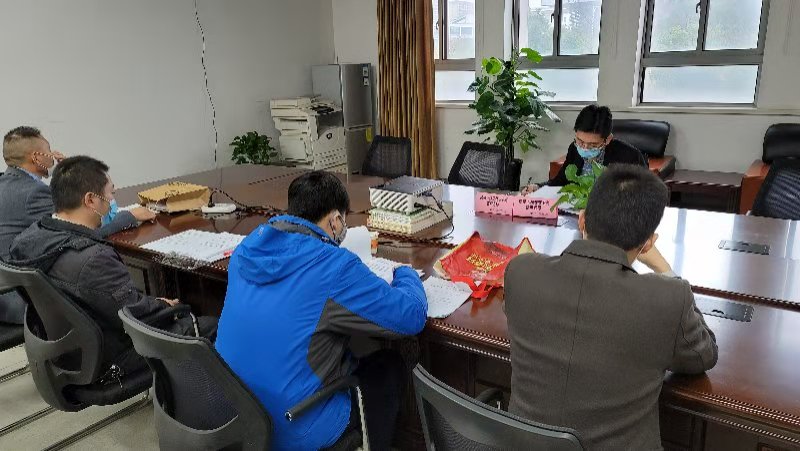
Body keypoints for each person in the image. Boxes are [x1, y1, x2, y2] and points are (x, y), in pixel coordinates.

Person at [505, 164, 718, 450]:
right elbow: (703, 355)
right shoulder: (666, 299)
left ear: (582, 220)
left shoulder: (521, 272)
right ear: (648, 244)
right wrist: (665, 269)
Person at [216, 170, 427, 451]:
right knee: (387, 367)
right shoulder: (333, 266)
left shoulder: (246, 250)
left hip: (236, 412)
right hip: (294, 425)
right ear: (335, 220)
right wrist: (405, 273)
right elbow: (411, 316)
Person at [8, 156, 217, 380]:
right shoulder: (94, 258)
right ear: (90, 200)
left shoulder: (29, 239)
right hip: (108, 358)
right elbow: (135, 315)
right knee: (212, 325)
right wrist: (163, 305)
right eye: (110, 194)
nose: (112, 202)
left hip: (65, 350)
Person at [0, 126, 155, 324]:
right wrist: (130, 216)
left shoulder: (7, 183)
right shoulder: (33, 193)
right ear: (37, 157)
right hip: (25, 302)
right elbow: (78, 230)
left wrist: (67, 174)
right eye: (49, 150)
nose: (54, 155)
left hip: (9, 290)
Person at [521, 104, 647, 194]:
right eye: (580, 141)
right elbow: (560, 181)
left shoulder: (630, 157)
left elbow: (643, 195)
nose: (585, 148)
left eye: (593, 145)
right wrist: (538, 187)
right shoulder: (574, 148)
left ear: (608, 139)